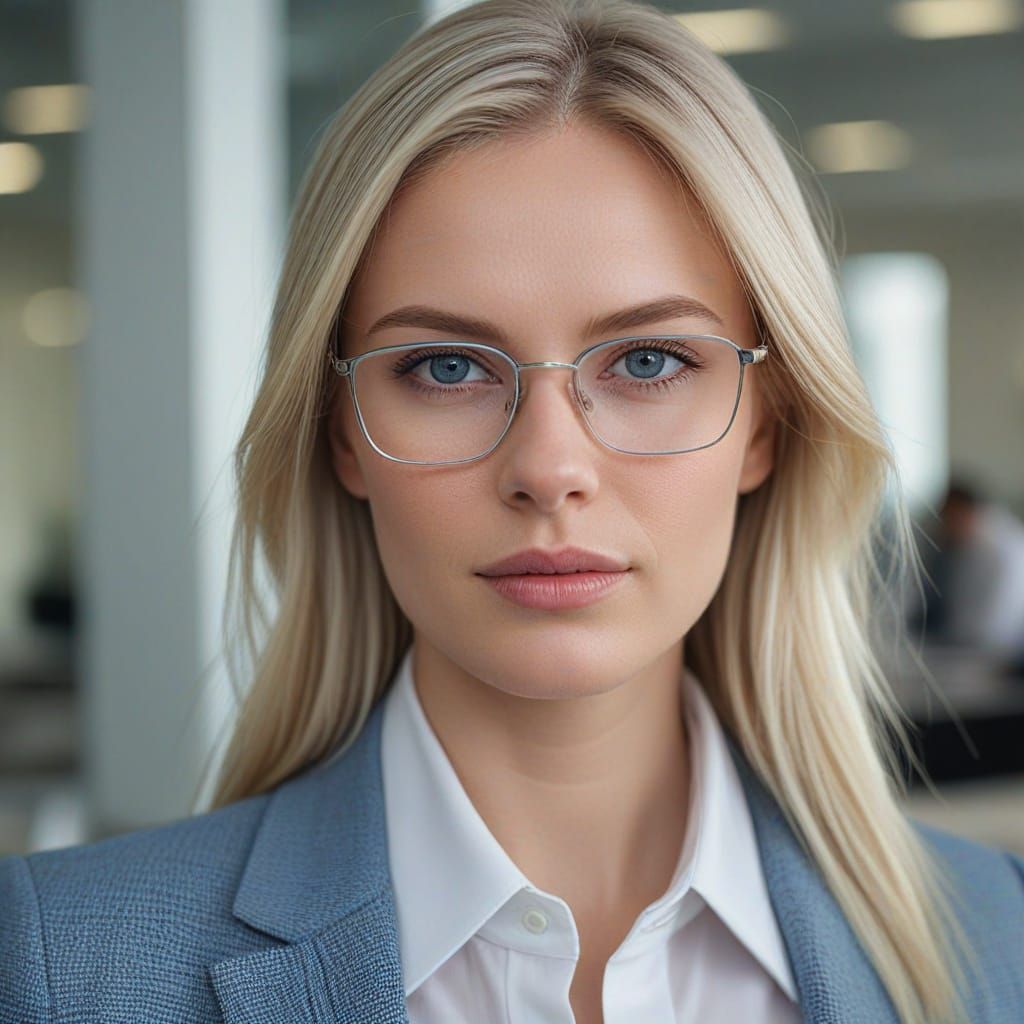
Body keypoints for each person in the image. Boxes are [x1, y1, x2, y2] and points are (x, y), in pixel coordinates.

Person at [2, 1, 1022, 1022]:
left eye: (649, 359)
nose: (548, 466)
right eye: (445, 367)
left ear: (765, 422)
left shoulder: (995, 937)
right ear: (343, 432)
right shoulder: (65, 966)